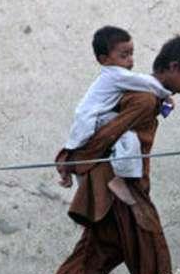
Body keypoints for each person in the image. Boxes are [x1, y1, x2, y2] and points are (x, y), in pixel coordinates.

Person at [46, 35, 180, 274]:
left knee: (108, 242)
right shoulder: (143, 99)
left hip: (121, 180)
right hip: (121, 184)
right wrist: (72, 159)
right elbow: (108, 134)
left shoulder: (148, 95)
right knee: (147, 234)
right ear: (174, 67)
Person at [60, 25, 174, 204]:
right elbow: (145, 82)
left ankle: (70, 176)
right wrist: (166, 95)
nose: (130, 60)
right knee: (129, 137)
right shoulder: (115, 75)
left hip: (87, 121)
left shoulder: (112, 76)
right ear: (104, 59)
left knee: (90, 158)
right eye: (124, 55)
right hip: (94, 120)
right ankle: (121, 179)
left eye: (131, 54)